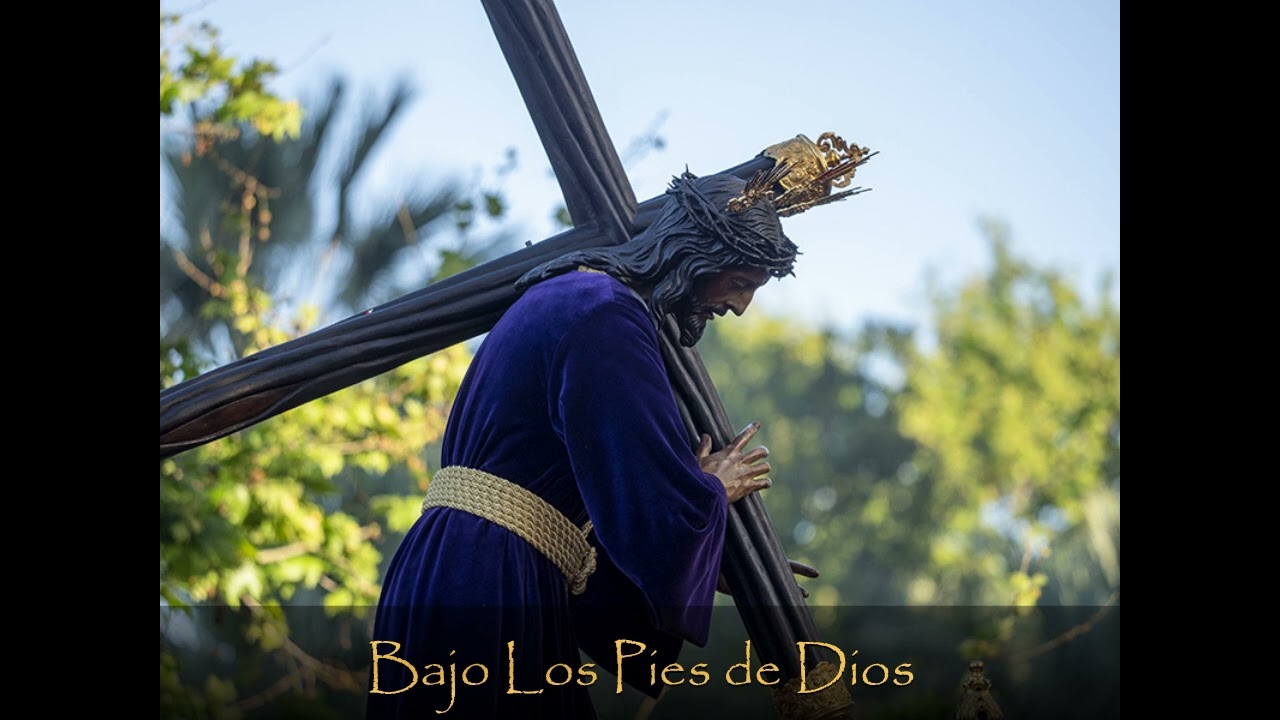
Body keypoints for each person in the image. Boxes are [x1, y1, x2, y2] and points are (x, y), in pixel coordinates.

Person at [367, 170, 802, 719]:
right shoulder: (606, 316)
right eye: (740, 281)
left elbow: (593, 503)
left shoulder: (573, 293)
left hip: (459, 562)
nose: (740, 306)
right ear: (697, 254)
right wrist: (710, 491)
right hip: (490, 575)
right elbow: (645, 506)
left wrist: (704, 547)